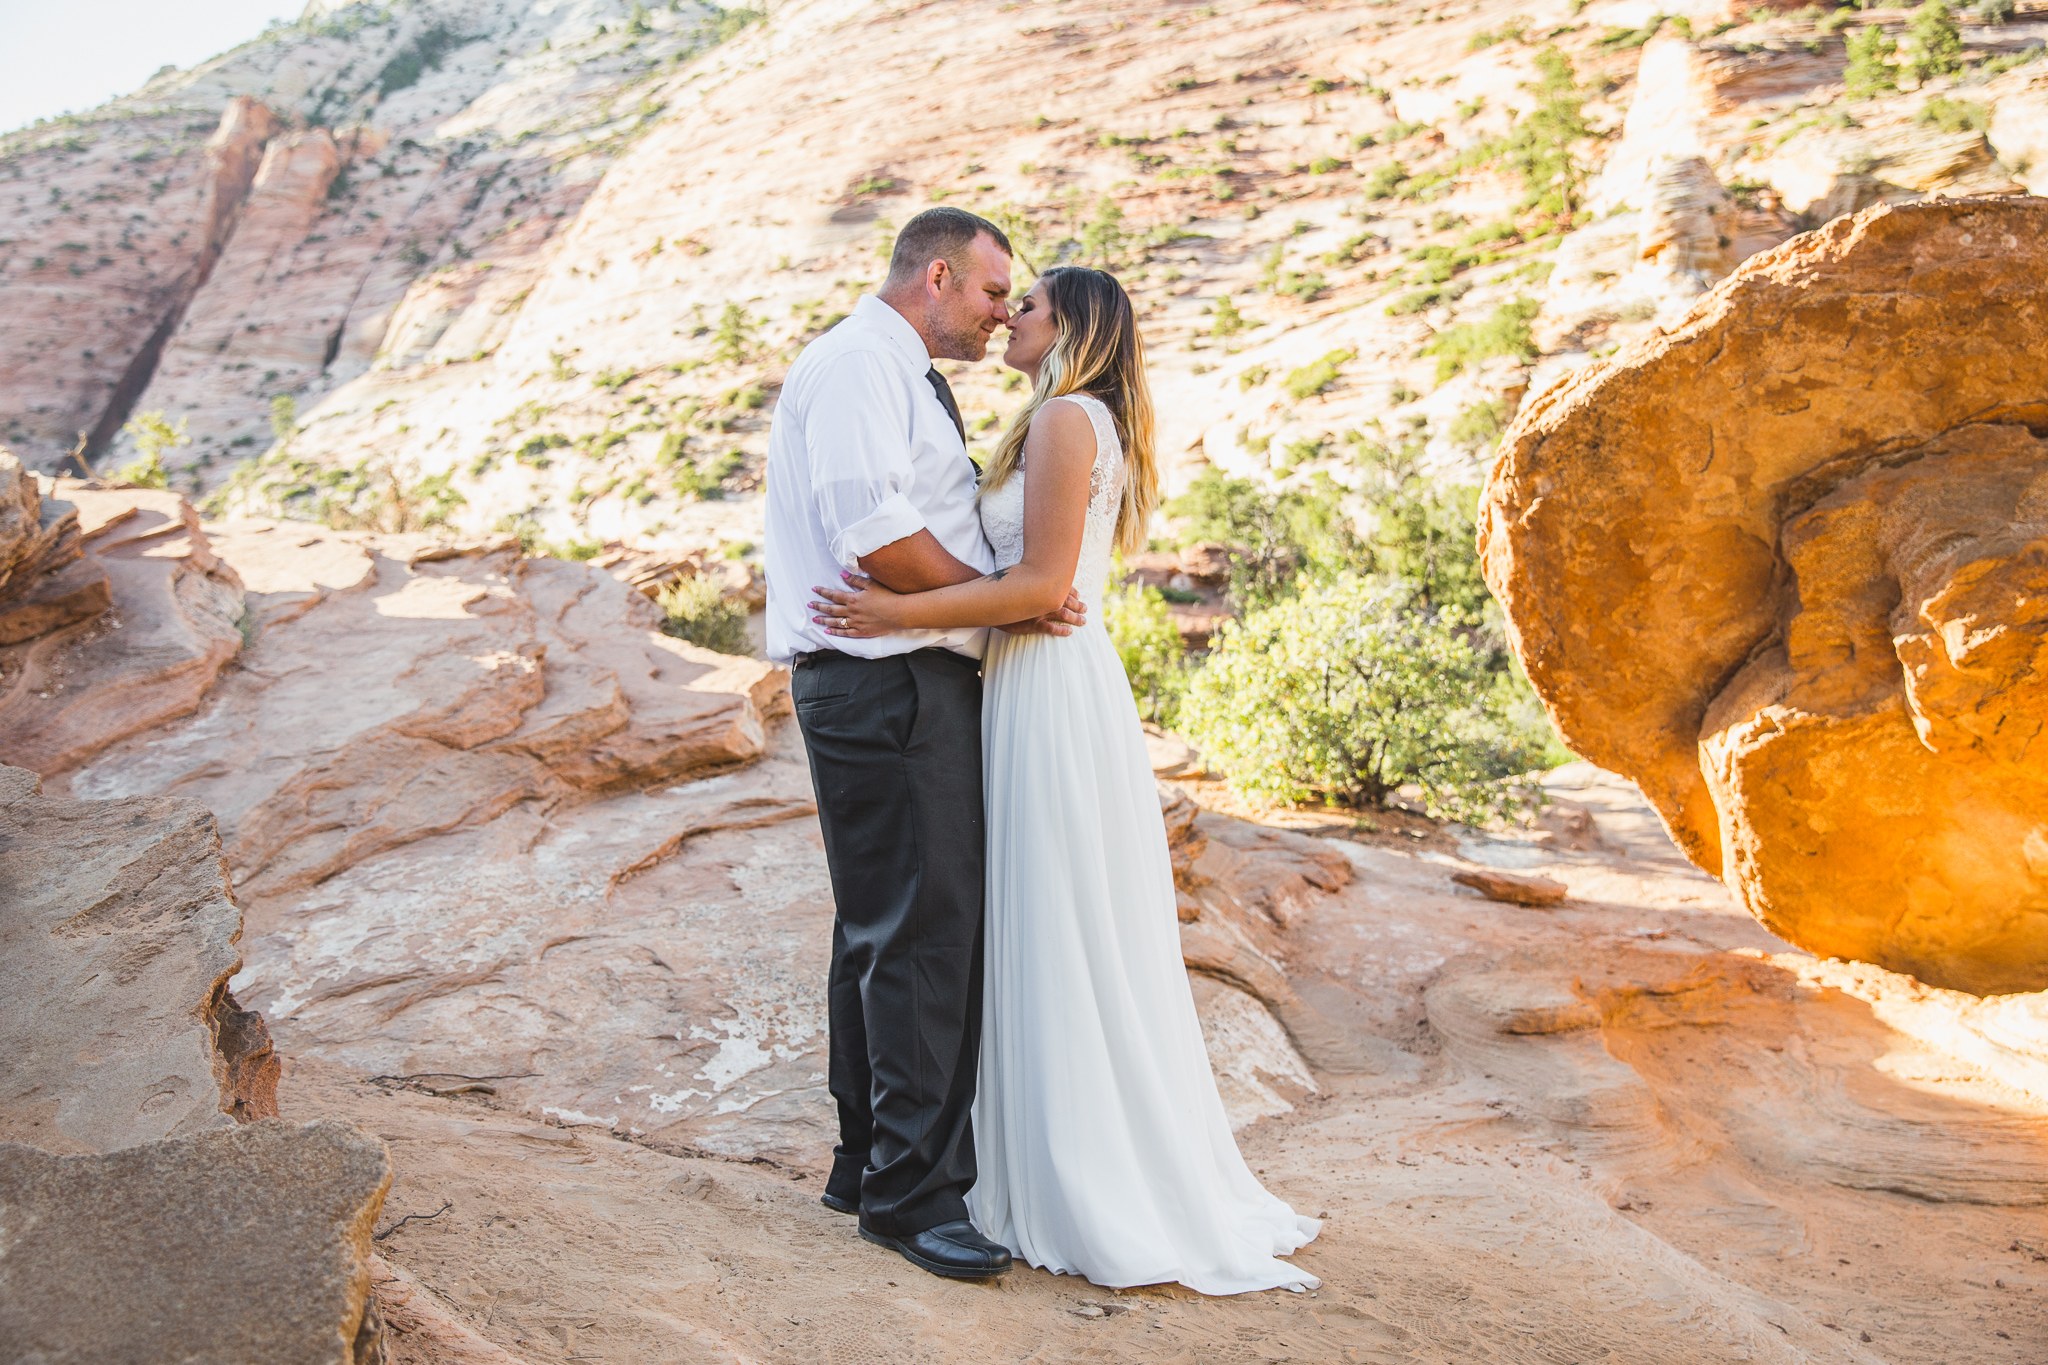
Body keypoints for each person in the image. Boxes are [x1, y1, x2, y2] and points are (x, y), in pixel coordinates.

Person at [808, 265, 1321, 1295]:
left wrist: (890, 615)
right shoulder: (1072, 418)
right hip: (1033, 675)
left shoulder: (1062, 423)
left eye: (1026, 304)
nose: (1007, 316)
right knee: (1037, 917)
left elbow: (1041, 587)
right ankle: (1014, 1156)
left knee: (1042, 917)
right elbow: (1035, 583)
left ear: (1070, 326)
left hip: (1039, 684)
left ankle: (1061, 1172)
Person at [763, 207, 1084, 1281]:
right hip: (886, 681)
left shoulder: (889, 368)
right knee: (923, 936)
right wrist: (996, 600)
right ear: (938, 277)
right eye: (994, 295)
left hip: (887, 680)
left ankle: (867, 1167)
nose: (1002, 316)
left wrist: (983, 605)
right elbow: (877, 538)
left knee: (882, 930)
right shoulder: (862, 364)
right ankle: (912, 1199)